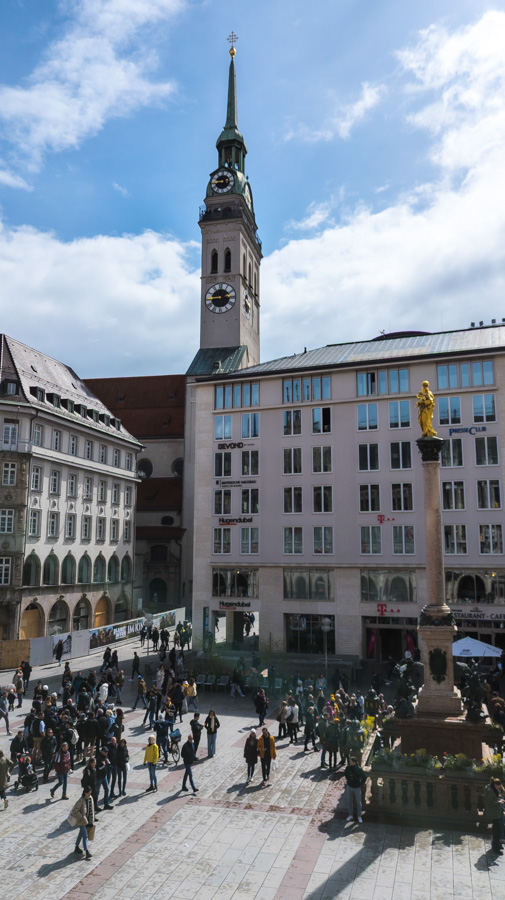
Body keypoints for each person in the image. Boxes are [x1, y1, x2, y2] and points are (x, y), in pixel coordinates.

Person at [71, 786, 95, 860]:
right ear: (85, 793)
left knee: (81, 834)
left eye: (90, 793)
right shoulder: (81, 800)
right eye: (88, 793)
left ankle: (76, 847)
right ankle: (87, 852)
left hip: (88, 820)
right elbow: (74, 810)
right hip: (82, 821)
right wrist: (81, 817)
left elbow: (92, 809)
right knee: (85, 835)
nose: (89, 795)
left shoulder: (90, 798)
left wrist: (92, 819)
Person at [484, 777, 505, 854]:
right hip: (494, 813)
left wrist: (499, 801)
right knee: (496, 829)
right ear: (495, 784)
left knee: (498, 829)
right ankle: (495, 847)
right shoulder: (490, 791)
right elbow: (490, 802)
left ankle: (496, 845)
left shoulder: (492, 788)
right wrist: (498, 802)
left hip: (497, 812)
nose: (499, 788)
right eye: (498, 786)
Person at [344, 756, 366, 824]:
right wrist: (349, 780)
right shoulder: (348, 768)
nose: (349, 762)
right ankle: (350, 815)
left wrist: (360, 783)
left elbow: (364, 777)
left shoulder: (359, 769)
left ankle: (359, 816)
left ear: (354, 762)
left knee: (358, 802)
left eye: (350, 761)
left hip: (356, 788)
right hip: (350, 786)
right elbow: (346, 774)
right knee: (349, 801)